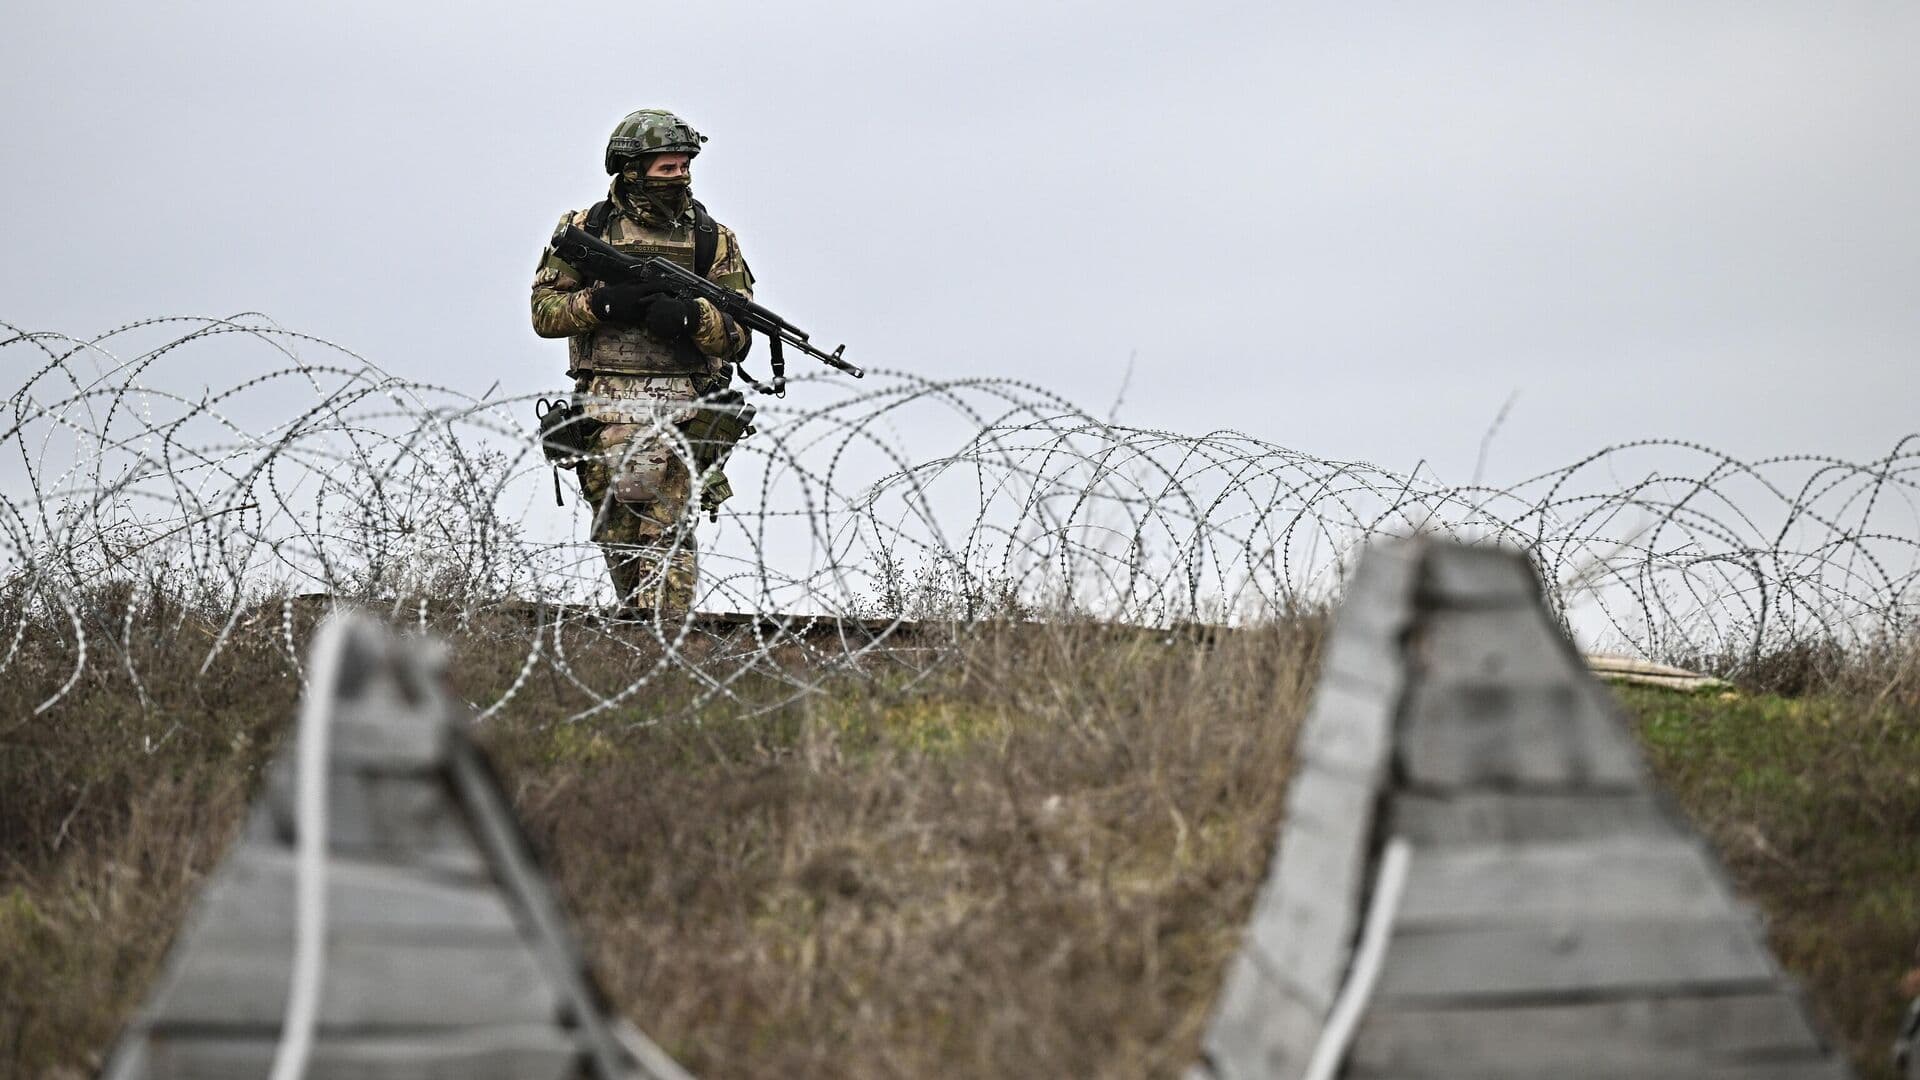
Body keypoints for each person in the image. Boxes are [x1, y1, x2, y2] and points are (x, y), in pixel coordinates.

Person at [530, 109, 754, 618]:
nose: (680, 178)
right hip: (603, 411)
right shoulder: (588, 229)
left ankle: (666, 640)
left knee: (667, 537)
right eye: (666, 169)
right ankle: (641, 649)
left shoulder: (711, 239)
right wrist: (604, 304)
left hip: (684, 411)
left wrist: (691, 318)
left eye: (684, 167)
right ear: (631, 170)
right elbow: (544, 314)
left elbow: (739, 339)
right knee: (620, 541)